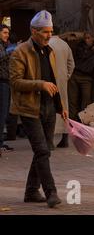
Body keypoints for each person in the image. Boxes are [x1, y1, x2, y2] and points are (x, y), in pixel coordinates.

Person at [9, 10, 67, 208]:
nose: (49, 35)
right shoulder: (20, 52)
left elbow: (53, 80)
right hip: (29, 108)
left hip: (49, 108)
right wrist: (39, 84)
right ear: (33, 31)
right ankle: (51, 192)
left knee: (43, 151)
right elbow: (15, 82)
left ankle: (31, 191)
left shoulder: (49, 51)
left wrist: (61, 106)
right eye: (44, 32)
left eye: (50, 31)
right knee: (42, 150)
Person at [68, 32, 94, 122]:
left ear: (93, 39)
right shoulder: (80, 47)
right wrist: (92, 50)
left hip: (87, 77)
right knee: (72, 99)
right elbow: (82, 55)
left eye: (90, 38)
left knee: (86, 99)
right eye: (86, 38)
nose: (88, 40)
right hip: (75, 75)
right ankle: (72, 120)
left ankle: (83, 119)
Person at [49, 31, 75, 149]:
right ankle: (65, 138)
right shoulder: (65, 45)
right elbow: (71, 64)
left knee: (49, 109)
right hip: (62, 81)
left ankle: (49, 140)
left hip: (48, 81)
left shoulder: (46, 44)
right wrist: (66, 76)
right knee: (64, 107)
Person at [0, 24, 14, 152]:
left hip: (6, 82)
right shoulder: (3, 47)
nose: (7, 35)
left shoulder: (5, 45)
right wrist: (11, 49)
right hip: (2, 83)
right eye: (4, 32)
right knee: (2, 113)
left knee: (3, 114)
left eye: (7, 33)